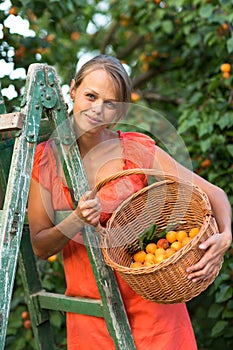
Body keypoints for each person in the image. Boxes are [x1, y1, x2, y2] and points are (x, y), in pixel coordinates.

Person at [28, 54, 232, 350]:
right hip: (90, 313)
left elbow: (215, 194)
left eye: (110, 103)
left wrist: (225, 236)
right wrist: (77, 219)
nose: (98, 109)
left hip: (154, 310)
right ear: (72, 90)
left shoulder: (135, 148)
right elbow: (40, 245)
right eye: (90, 96)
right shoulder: (46, 160)